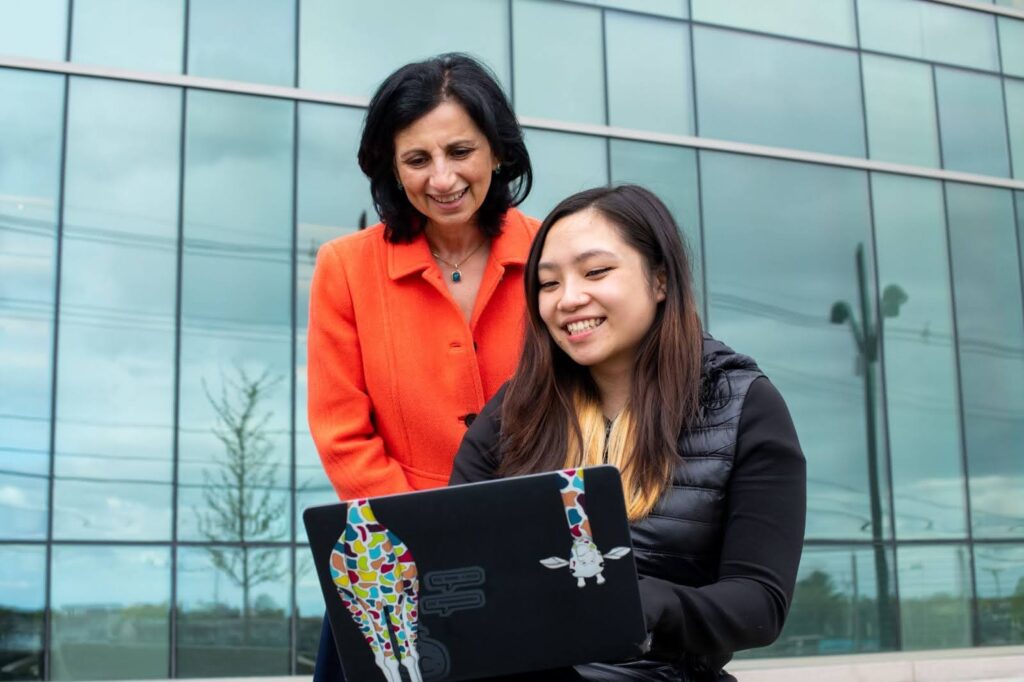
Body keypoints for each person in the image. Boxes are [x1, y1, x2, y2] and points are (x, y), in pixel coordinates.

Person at [450, 185, 807, 682]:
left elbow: (760, 601)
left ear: (660, 279)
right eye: (548, 284)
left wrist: (644, 603)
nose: (569, 299)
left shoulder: (745, 405)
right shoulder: (513, 413)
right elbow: (456, 561)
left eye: (596, 272)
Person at [306, 53, 537, 680]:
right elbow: (341, 431)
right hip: (392, 562)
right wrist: (427, 538)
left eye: (460, 151)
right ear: (390, 166)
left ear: (497, 151)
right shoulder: (345, 267)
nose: (442, 178)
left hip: (529, 555)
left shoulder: (552, 251)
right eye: (417, 159)